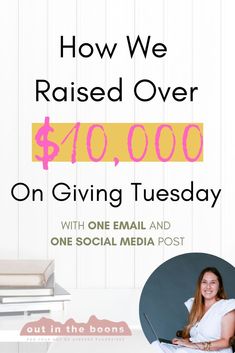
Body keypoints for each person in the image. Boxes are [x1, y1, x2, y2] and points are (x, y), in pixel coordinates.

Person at [152, 267, 235, 353]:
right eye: (204, 282)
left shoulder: (226, 307)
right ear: (200, 285)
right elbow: (198, 336)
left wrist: (193, 345)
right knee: (156, 345)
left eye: (213, 282)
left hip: (215, 351)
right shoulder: (195, 306)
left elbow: (226, 342)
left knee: (182, 351)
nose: (208, 287)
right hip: (195, 348)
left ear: (219, 286)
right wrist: (186, 341)